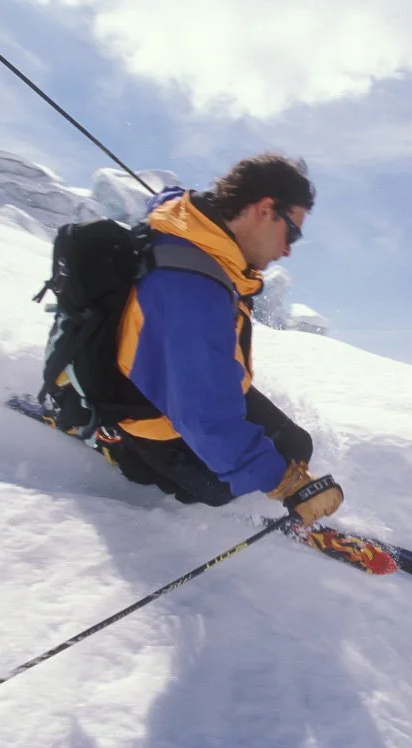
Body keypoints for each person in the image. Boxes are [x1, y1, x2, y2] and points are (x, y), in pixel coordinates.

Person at [106, 153, 342, 526]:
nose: (288, 250)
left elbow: (168, 199)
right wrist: (285, 483)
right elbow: (203, 413)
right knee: (215, 488)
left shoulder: (202, 234)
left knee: (296, 446)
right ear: (265, 209)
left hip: (184, 377)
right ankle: (114, 446)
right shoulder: (192, 287)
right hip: (150, 407)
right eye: (291, 232)